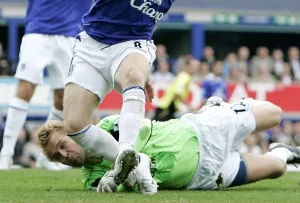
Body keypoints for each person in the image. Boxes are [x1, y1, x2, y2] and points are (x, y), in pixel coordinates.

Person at [0, 0, 133, 170]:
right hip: (37, 35)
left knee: (62, 100)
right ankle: (4, 156)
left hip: (71, 40)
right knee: (25, 89)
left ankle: (43, 157)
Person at [62, 0, 187, 193]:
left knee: (133, 76)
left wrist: (143, 71)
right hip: (92, 44)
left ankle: (128, 150)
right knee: (74, 124)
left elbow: (148, 23)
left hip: (131, 44)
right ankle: (132, 161)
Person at [37, 97, 299, 193]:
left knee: (274, 114)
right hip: (204, 177)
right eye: (57, 157)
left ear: (72, 132)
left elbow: (137, 158)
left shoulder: (109, 126)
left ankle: (222, 107)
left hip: (203, 133)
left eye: (62, 145)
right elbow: (125, 186)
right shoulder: (90, 180)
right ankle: (282, 151)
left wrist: (118, 175)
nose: (65, 155)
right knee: (277, 168)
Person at [154, 55, 200, 121]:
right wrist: (190, 106)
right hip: (166, 108)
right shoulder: (184, 77)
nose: (196, 69)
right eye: (194, 67)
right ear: (187, 66)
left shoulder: (184, 76)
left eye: (197, 67)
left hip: (169, 108)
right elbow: (178, 94)